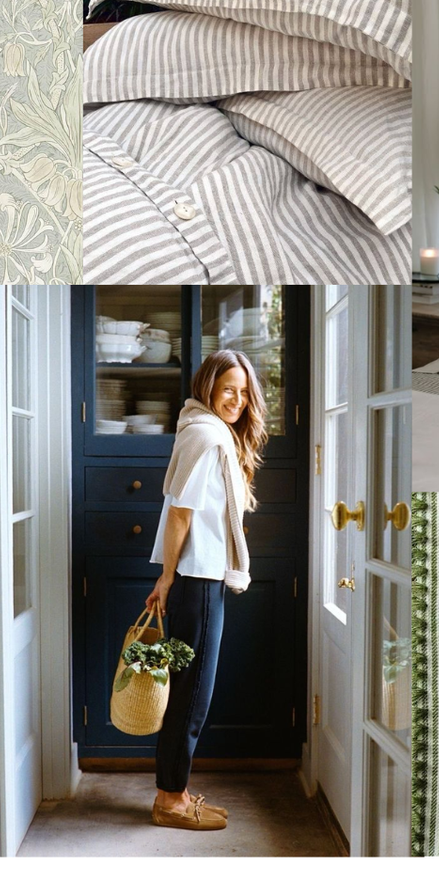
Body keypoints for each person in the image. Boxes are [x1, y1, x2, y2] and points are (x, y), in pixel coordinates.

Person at [140, 350, 265, 831]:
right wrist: (168, 578)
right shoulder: (206, 436)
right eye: (227, 389)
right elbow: (180, 514)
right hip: (197, 577)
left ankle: (177, 790)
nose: (236, 399)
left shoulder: (207, 432)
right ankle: (170, 799)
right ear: (209, 389)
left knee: (191, 692)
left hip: (201, 575)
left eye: (243, 391)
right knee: (193, 695)